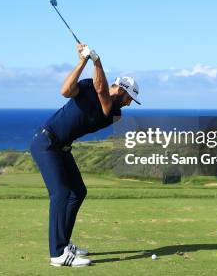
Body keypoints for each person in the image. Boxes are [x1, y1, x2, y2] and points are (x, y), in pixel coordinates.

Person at [30, 43, 140, 267]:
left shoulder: (114, 112)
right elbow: (65, 91)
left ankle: (64, 243)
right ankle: (58, 254)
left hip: (62, 147)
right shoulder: (89, 84)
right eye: (129, 98)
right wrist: (83, 61)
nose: (129, 104)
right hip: (46, 142)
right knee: (61, 194)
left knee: (78, 191)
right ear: (122, 90)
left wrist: (96, 60)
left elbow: (102, 93)